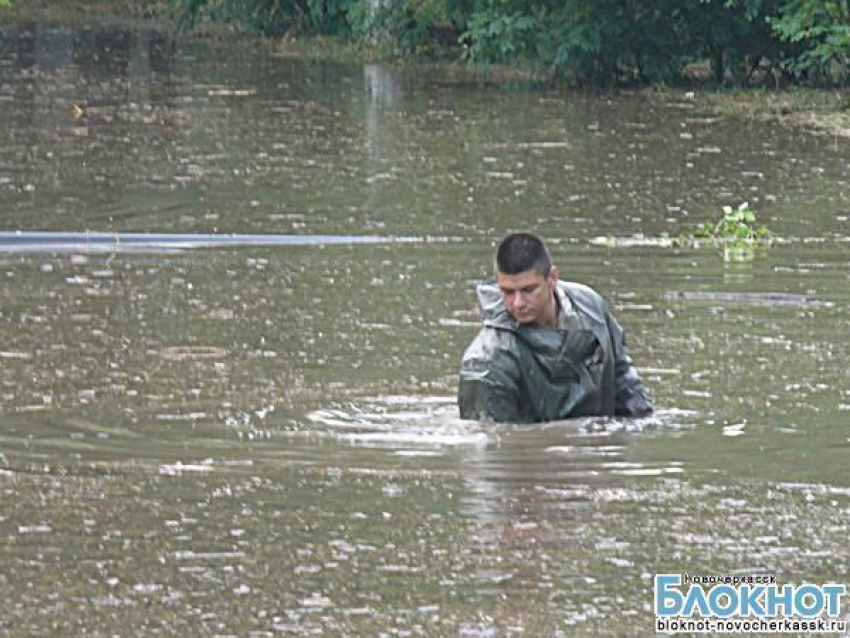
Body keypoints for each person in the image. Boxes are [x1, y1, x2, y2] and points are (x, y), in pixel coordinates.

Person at [458, 233, 652, 422]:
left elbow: (622, 372)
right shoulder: (487, 361)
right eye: (508, 292)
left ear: (552, 278)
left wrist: (641, 418)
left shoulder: (589, 306)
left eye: (528, 290)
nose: (517, 303)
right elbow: (498, 442)